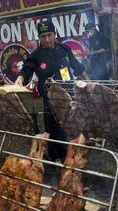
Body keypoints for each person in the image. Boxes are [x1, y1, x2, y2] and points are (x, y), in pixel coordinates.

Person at [15, 20, 89, 161]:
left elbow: (77, 67)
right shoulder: (36, 55)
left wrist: (89, 84)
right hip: (49, 100)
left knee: (73, 127)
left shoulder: (64, 49)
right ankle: (61, 160)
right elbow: (27, 69)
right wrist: (20, 78)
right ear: (39, 38)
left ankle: (71, 155)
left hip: (69, 96)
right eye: (43, 36)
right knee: (55, 132)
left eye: (49, 35)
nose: (47, 39)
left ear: (54, 34)